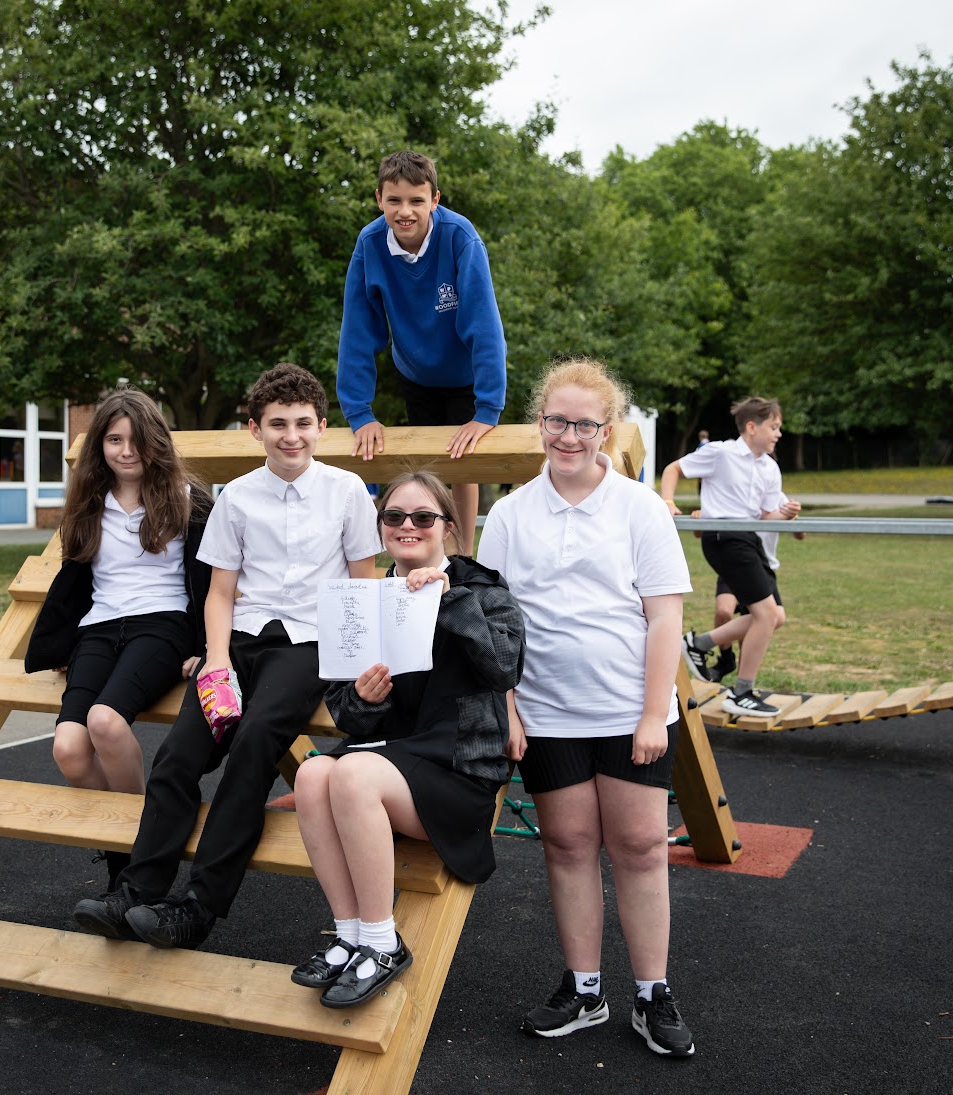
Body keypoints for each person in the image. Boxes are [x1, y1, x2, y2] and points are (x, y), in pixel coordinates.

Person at [73, 363, 381, 948]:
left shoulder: (347, 493)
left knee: (254, 743)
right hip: (238, 642)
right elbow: (219, 593)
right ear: (255, 429)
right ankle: (136, 890)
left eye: (303, 424)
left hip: (307, 644)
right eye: (277, 424)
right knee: (176, 758)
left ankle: (198, 907)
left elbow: (362, 582)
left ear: (322, 427)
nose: (291, 436)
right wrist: (216, 660)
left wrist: (356, 660)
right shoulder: (236, 497)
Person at [478, 356, 697, 1058]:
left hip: (629, 713)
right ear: (539, 422)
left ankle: (652, 993)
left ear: (608, 430)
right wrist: (509, 709)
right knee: (569, 846)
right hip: (546, 714)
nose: (568, 436)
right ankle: (585, 988)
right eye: (556, 421)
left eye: (584, 425)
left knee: (640, 847)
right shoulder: (509, 514)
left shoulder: (640, 508)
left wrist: (651, 712)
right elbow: (493, 624)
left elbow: (664, 618)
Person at [290, 471, 524, 1008]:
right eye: (394, 516)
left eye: (423, 516)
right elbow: (346, 713)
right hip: (394, 761)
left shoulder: (482, 591)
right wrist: (365, 698)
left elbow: (504, 670)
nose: (408, 526)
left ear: (448, 526)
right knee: (311, 773)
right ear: (381, 527)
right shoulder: (364, 600)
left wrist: (450, 599)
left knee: (350, 771)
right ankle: (349, 935)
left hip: (458, 771)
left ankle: (382, 943)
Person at [24, 390, 211, 890]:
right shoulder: (89, 503)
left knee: (105, 722)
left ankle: (138, 866)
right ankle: (123, 855)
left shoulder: (188, 499)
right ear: (99, 446)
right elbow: (76, 581)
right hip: (99, 628)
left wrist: (206, 647)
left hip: (162, 625)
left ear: (156, 443)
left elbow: (211, 579)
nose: (126, 451)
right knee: (68, 747)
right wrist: (61, 643)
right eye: (113, 440)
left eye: (137, 440)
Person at [336, 149, 507, 554]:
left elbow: (484, 325)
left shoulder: (460, 238)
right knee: (428, 467)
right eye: (394, 200)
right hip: (416, 373)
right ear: (379, 199)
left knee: (463, 464)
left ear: (435, 199)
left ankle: (462, 556)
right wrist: (360, 413)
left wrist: (487, 409)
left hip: (464, 374)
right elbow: (358, 329)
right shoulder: (370, 244)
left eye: (416, 200)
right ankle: (425, 553)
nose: (405, 211)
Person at [660, 397, 801, 717]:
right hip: (724, 537)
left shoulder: (770, 467)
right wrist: (667, 501)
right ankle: (742, 693)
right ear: (752, 427)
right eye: (774, 427)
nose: (779, 433)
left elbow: (766, 516)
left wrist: (786, 513)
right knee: (766, 615)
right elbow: (674, 468)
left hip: (750, 539)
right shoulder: (721, 453)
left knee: (776, 617)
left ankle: (699, 643)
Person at [706, 491, 804, 684]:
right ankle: (725, 659)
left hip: (762, 568)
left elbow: (800, 534)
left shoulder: (778, 497)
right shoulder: (733, 493)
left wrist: (792, 514)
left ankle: (742, 683)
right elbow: (701, 532)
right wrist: (703, 515)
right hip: (734, 560)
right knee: (723, 611)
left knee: (759, 620)